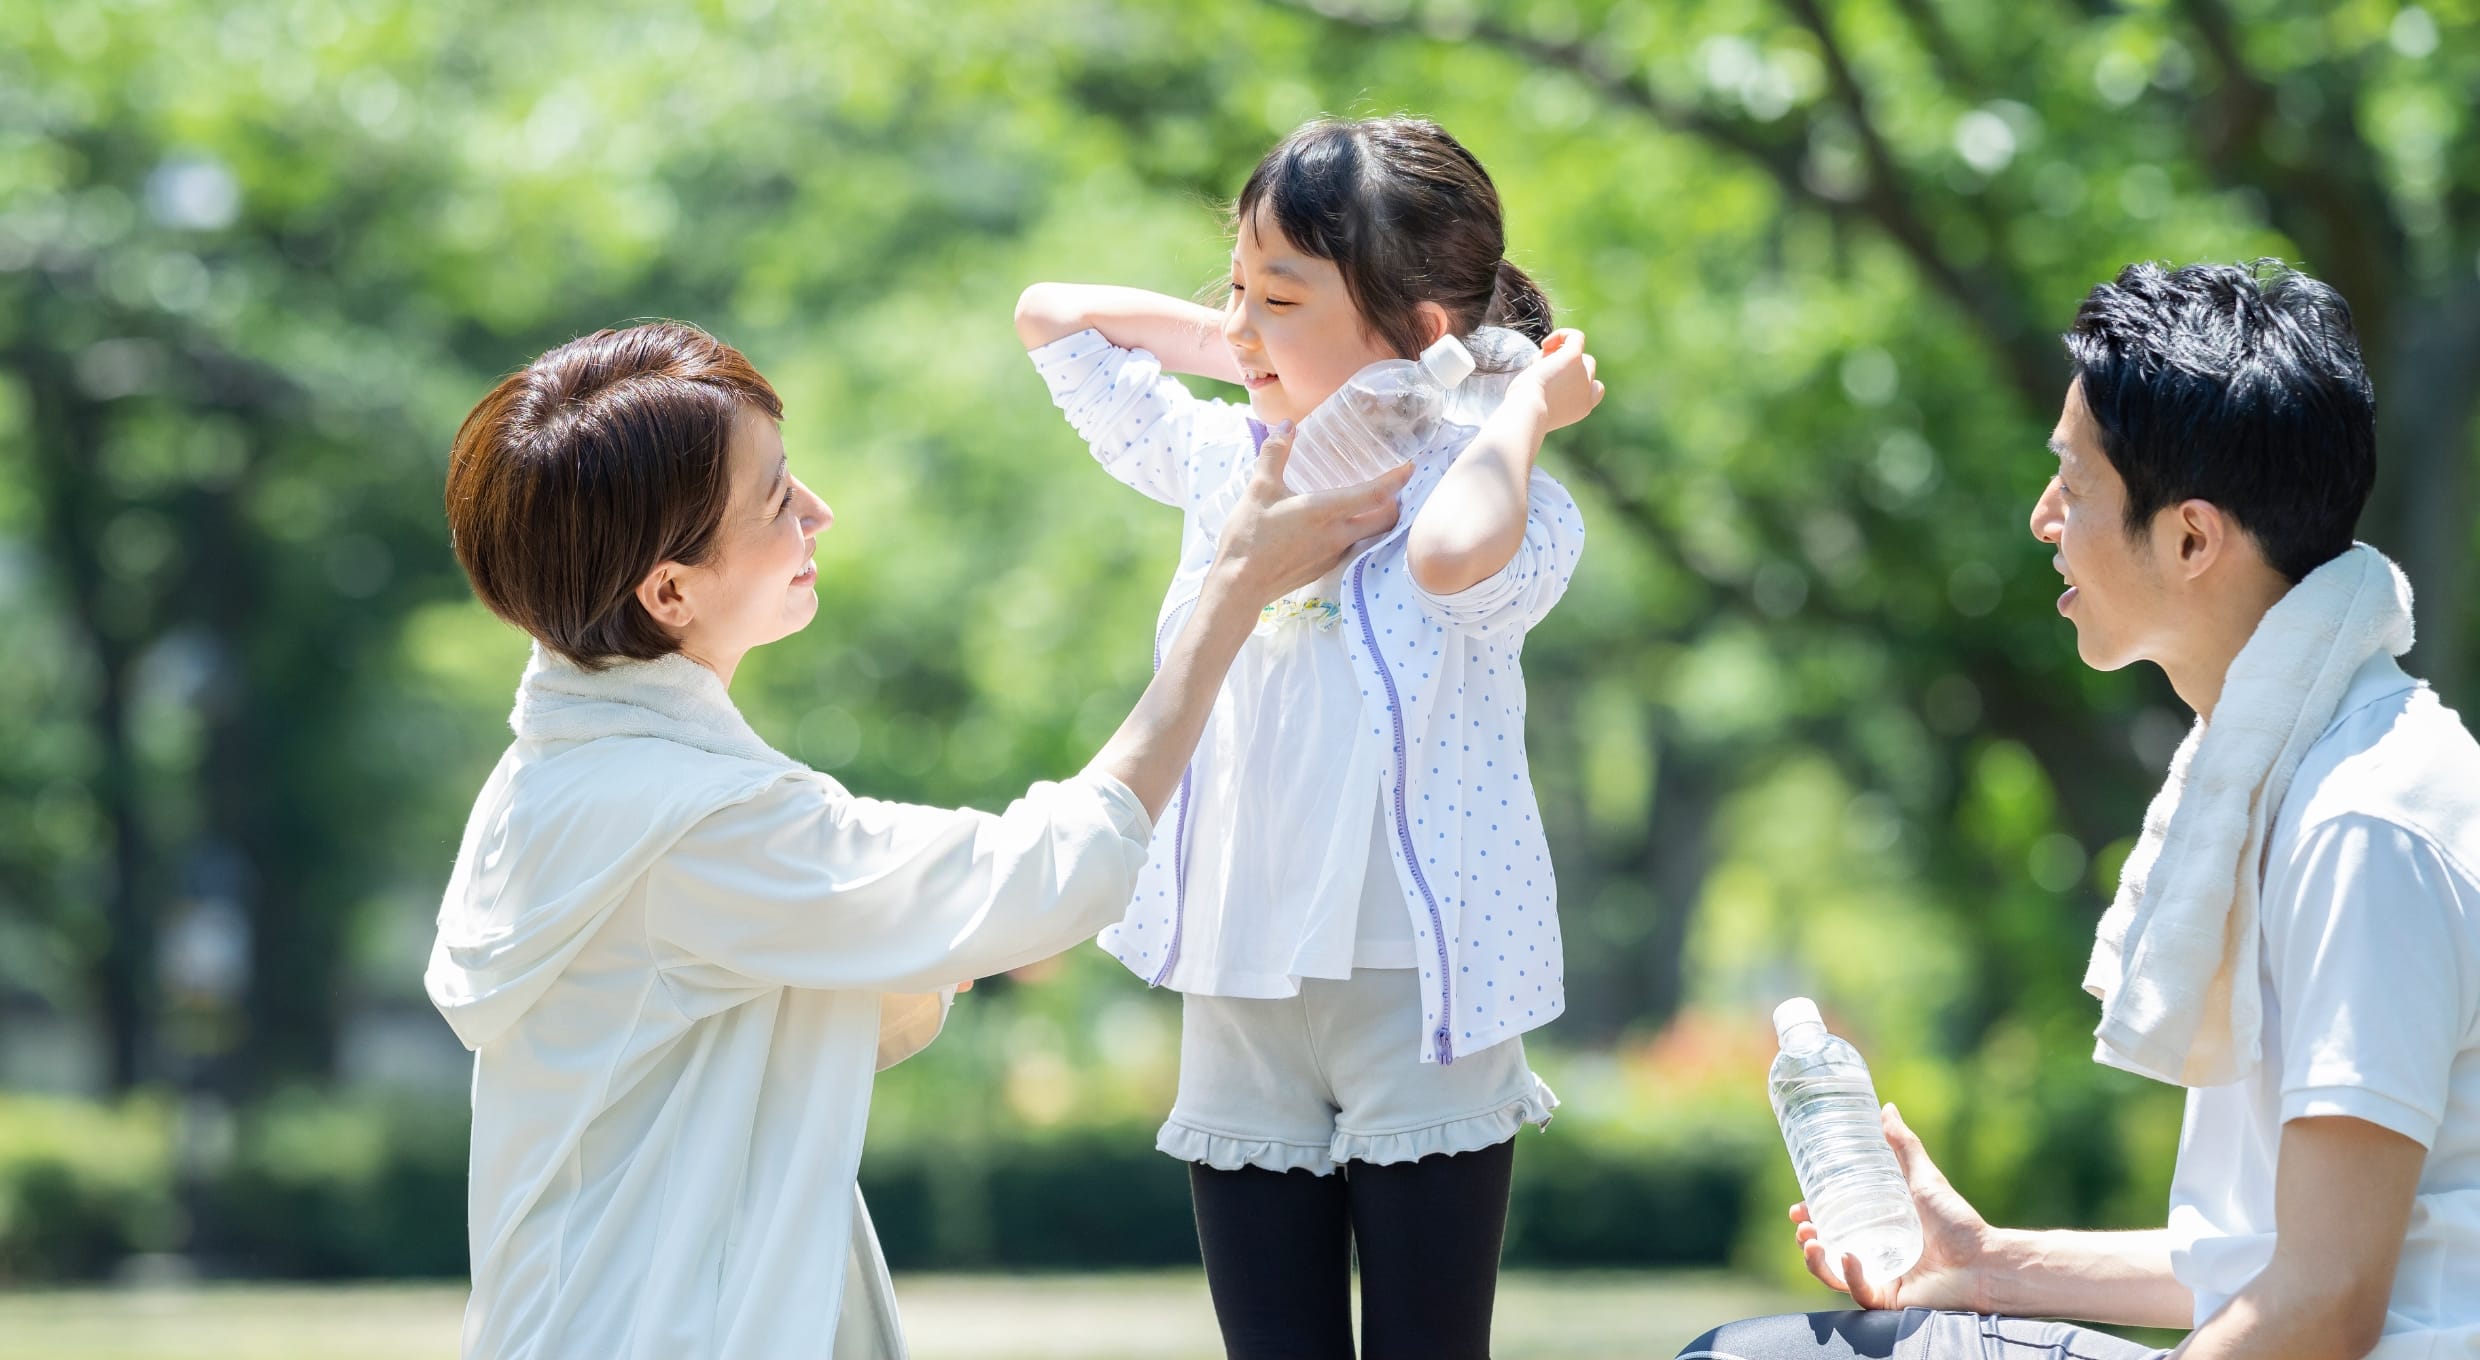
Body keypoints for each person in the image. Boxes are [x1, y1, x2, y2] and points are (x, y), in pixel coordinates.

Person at [424, 319, 1409, 1359]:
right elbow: (1045, 875)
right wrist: (1234, 587)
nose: (817, 513)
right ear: (669, 592)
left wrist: (927, 940)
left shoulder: (551, 780)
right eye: (775, 503)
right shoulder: (688, 820)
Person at [1681, 261, 2480, 1360]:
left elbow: (2324, 1303)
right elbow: (2262, 1257)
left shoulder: (2362, 823)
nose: (2040, 516)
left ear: (2191, 538)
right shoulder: (2298, 767)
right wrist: (1985, 1262)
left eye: (2072, 480)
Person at [1014, 115, 1605, 1360]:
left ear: (1423, 328)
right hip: (1238, 986)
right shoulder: (1221, 462)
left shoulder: (1494, 496)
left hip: (1420, 998)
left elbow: (1447, 559)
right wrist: (1256, 343)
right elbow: (1050, 314)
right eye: (1234, 286)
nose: (1237, 324)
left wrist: (1514, 399)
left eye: (1279, 295)